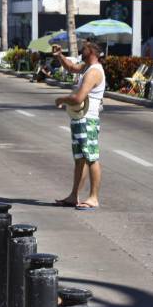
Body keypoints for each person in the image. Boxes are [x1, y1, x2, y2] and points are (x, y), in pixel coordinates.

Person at [52, 41, 106, 210]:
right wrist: (59, 56)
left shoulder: (94, 72)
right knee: (80, 160)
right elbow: (72, 67)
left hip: (87, 120)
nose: (81, 51)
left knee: (91, 158)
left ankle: (93, 198)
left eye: (84, 48)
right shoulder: (87, 67)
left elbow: (78, 98)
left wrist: (61, 99)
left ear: (92, 51)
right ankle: (74, 196)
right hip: (80, 119)